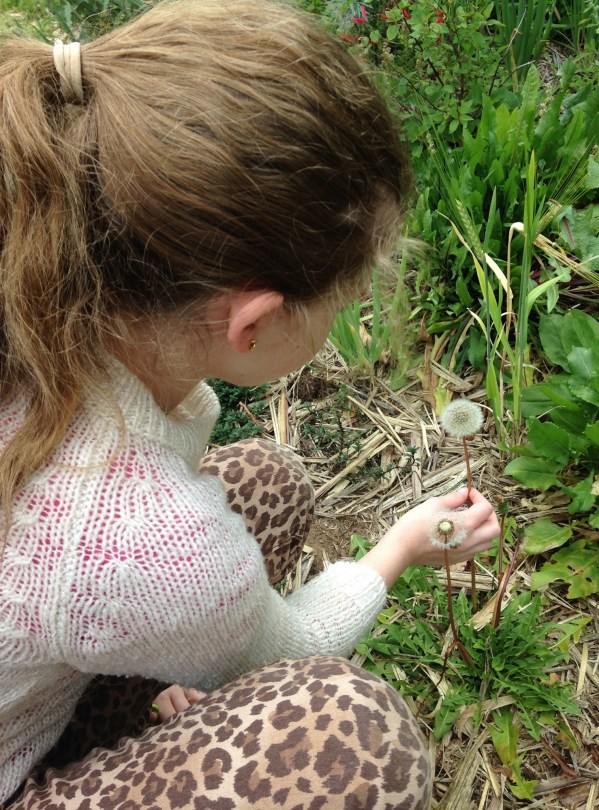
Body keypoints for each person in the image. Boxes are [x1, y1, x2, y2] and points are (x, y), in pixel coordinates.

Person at [0, 0, 500, 806]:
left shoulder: (31, 295)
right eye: (346, 302)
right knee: (354, 740)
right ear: (256, 322)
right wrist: (400, 547)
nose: (345, 322)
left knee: (265, 482)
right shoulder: (147, 536)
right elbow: (294, 652)